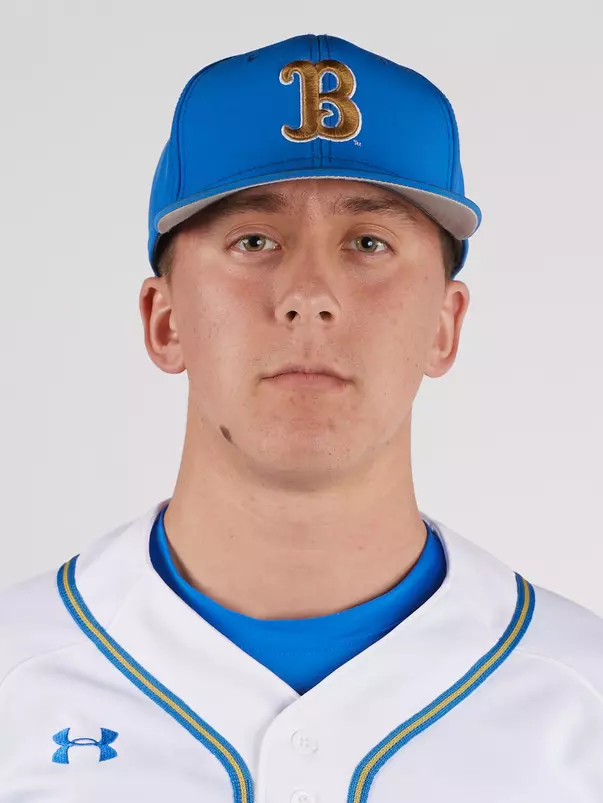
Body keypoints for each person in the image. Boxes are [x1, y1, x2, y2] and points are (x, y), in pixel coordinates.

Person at [1, 33, 602, 802]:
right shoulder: (15, 677)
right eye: (254, 239)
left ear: (444, 325)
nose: (310, 293)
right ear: (164, 320)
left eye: (368, 242)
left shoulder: (579, 700)